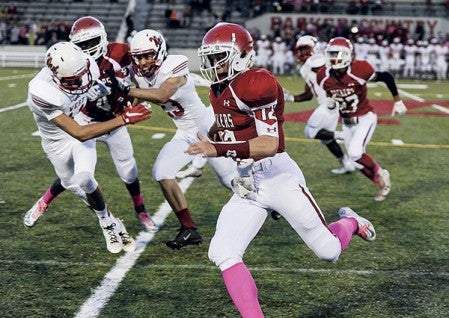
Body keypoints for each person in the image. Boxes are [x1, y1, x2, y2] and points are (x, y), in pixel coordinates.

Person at [187, 22, 377, 317]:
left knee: (329, 252)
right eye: (209, 58)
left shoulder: (256, 82)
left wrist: (218, 149)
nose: (213, 65)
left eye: (219, 57)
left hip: (278, 176)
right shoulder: (218, 88)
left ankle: (350, 221)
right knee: (222, 252)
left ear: (241, 55)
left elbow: (268, 144)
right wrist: (212, 136)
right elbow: (227, 123)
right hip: (248, 183)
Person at [24, 16, 158, 233]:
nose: (86, 49)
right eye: (81, 45)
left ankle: (140, 210)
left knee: (129, 172)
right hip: (85, 122)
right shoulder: (69, 66)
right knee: (74, 175)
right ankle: (45, 201)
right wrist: (87, 93)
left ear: (103, 38)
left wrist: (130, 105)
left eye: (91, 42)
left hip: (114, 122)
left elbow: (140, 84)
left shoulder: (121, 53)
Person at [111, 29, 236, 249]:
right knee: (161, 172)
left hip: (206, 127)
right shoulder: (136, 72)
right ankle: (189, 229)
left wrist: (127, 91)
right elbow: (126, 89)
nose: (142, 61)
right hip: (184, 132)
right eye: (138, 56)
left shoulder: (175, 64)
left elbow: (162, 94)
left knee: (231, 182)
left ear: (159, 51)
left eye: (147, 55)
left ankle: (273, 202)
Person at [316, 37, 407, 202]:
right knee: (356, 162)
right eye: (330, 53)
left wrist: (397, 100)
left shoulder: (360, 69)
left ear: (347, 55)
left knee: (356, 153)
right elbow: (331, 92)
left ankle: (381, 172)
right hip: (347, 122)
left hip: (365, 117)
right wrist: (330, 101)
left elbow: (386, 76)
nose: (332, 57)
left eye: (336, 53)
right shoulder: (322, 75)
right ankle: (379, 182)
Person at [284, 35, 354, 174]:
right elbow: (308, 95)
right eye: (300, 50)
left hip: (330, 103)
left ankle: (344, 135)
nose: (302, 53)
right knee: (326, 139)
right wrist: (289, 97)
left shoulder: (316, 60)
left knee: (310, 132)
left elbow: (324, 68)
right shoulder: (307, 67)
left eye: (305, 48)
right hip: (329, 103)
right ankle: (346, 163)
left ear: (314, 48)